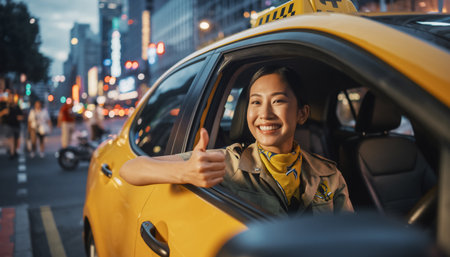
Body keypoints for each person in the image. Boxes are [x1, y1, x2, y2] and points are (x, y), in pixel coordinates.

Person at [119, 66, 353, 216]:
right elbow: (130, 169)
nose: (265, 114)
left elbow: (349, 240)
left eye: (278, 101)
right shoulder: (223, 163)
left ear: (302, 113)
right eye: (256, 102)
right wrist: (185, 172)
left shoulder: (328, 175)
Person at [0, 92, 24, 159]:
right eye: (10, 97)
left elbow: (22, 116)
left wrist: (20, 117)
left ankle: (14, 151)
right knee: (11, 139)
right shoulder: (4, 106)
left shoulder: (17, 107)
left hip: (16, 125)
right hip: (8, 125)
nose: (11, 99)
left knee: (16, 140)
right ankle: (12, 153)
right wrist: (3, 112)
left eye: (12, 97)